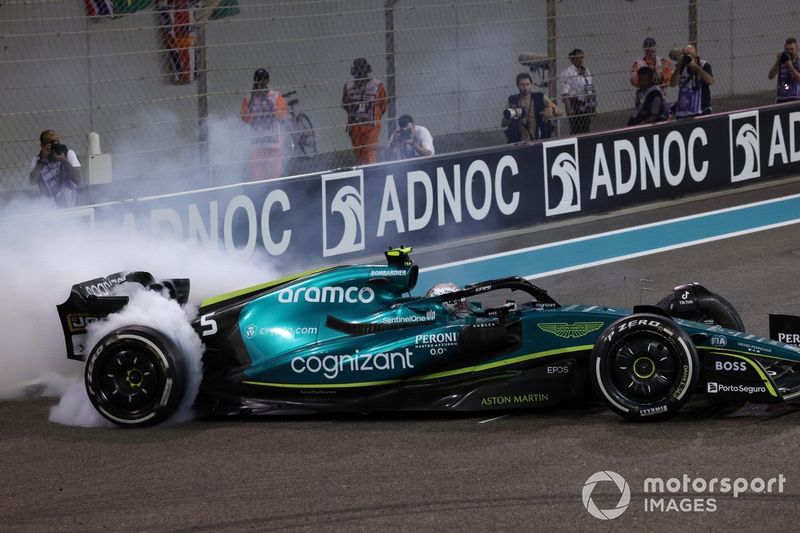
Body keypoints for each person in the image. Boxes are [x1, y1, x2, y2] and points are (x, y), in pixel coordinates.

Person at [240, 68, 288, 181]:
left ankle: (272, 186)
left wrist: (272, 108)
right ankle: (259, 188)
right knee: (257, 171)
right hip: (258, 141)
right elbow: (245, 117)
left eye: (263, 80)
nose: (262, 83)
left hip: (272, 140)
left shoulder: (274, 96)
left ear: (268, 81)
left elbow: (282, 115)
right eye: (260, 80)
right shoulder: (249, 98)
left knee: (273, 170)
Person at [342, 58, 387, 165]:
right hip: (366, 124)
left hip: (365, 125)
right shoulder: (377, 86)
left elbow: (346, 104)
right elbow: (383, 105)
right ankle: (367, 174)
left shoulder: (349, 87)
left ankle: (370, 174)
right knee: (362, 154)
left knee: (368, 153)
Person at [502, 72, 561, 143]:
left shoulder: (539, 97)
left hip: (539, 139)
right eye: (522, 85)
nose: (525, 87)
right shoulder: (512, 100)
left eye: (527, 84)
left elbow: (560, 112)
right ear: (517, 85)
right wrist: (508, 117)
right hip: (518, 141)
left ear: (531, 84)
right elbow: (503, 124)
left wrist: (551, 110)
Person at [28, 129, 81, 208]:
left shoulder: (68, 154)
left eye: (56, 142)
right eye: (50, 143)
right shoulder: (37, 160)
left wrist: (63, 160)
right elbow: (32, 181)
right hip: (49, 208)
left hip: (71, 205)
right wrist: (41, 162)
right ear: (42, 146)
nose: (53, 146)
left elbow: (77, 179)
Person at [669, 44, 715, 118]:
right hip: (683, 111)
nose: (687, 57)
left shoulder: (703, 64)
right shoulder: (681, 66)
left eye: (689, 55)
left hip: (700, 110)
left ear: (695, 54)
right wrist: (679, 68)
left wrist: (696, 67)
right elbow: (672, 84)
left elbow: (710, 81)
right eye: (685, 55)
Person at [558, 48, 597, 134]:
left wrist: (593, 106)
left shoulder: (586, 71)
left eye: (581, 58)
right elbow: (565, 92)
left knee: (586, 127)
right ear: (572, 59)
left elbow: (590, 87)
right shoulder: (568, 73)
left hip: (586, 101)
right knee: (576, 128)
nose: (580, 60)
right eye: (577, 58)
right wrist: (569, 108)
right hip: (575, 102)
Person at [768, 37, 800, 103]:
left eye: (792, 49)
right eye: (787, 49)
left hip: (795, 97)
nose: (790, 52)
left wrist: (790, 65)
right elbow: (770, 76)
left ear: (797, 49)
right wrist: (778, 61)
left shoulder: (798, 62)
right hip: (781, 97)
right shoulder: (782, 60)